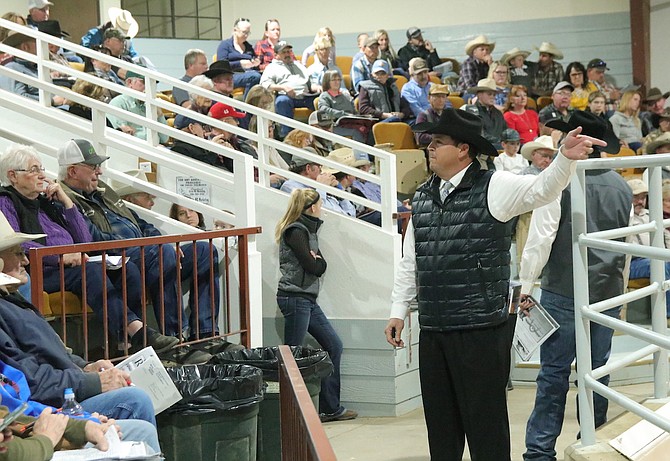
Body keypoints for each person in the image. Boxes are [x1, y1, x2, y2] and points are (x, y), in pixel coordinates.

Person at [384, 107, 602, 461]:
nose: (430, 148)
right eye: (430, 142)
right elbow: (412, 258)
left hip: (481, 329)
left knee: (486, 429)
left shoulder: (496, 185)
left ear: (464, 149)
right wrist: (398, 310)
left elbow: (542, 190)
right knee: (441, 428)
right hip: (435, 327)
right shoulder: (423, 196)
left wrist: (563, 158)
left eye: (439, 142)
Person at [519, 111, 631, 461]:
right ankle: (591, 440)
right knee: (596, 372)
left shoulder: (560, 182)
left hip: (563, 289)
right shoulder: (622, 186)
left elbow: (541, 237)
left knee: (553, 375)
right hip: (607, 289)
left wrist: (526, 283)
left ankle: (540, 451)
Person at [0, 143, 176, 353]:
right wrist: (60, 257)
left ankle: (126, 343)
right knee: (91, 272)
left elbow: (85, 241)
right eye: (33, 170)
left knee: (127, 269)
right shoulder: (6, 200)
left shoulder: (47, 201)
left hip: (72, 265)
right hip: (40, 270)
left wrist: (67, 203)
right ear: (12, 176)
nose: (41, 175)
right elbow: (17, 243)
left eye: (41, 168)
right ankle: (139, 334)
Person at [57, 139, 217, 357]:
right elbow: (94, 240)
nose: (99, 171)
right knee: (162, 253)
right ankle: (176, 341)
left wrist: (159, 239)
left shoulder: (104, 191)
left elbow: (141, 223)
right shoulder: (63, 200)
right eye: (93, 167)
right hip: (115, 259)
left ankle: (204, 334)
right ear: (73, 171)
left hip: (143, 251)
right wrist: (152, 245)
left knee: (204, 250)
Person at [0, 213, 159, 427]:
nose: (26, 260)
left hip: (66, 390)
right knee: (135, 400)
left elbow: (55, 353)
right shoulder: (6, 308)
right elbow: (32, 382)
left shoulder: (13, 299)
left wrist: (87, 367)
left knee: (140, 391)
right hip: (46, 408)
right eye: (18, 253)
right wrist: (94, 383)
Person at [275, 188, 357, 423]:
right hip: (295, 297)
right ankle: (288, 410)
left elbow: (319, 263)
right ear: (312, 207)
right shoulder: (296, 231)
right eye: (321, 205)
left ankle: (330, 408)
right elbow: (314, 267)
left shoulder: (307, 230)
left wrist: (317, 261)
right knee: (293, 354)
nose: (322, 209)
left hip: (306, 299)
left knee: (334, 346)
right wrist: (317, 261)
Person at [626, 178, 670, 321]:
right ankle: (666, 315)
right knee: (660, 265)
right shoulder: (624, 217)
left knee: (662, 263)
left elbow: (666, 237)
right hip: (633, 264)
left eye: (643, 197)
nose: (640, 201)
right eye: (636, 197)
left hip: (656, 257)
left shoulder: (652, 215)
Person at [260, 40, 319, 138]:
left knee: (322, 99)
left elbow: (309, 83)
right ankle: (287, 136)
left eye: (289, 51)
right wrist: (283, 87)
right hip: (287, 96)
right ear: (276, 55)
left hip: (305, 96)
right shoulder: (271, 67)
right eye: (284, 52)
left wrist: (316, 87)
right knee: (282, 101)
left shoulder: (298, 65)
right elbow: (264, 84)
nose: (287, 54)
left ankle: (322, 134)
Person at [0, 30, 65, 106]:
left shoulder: (36, 67)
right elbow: (19, 99)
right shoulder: (11, 68)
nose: (43, 46)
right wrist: (51, 101)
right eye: (37, 43)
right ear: (25, 47)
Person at [107, 71, 169, 144]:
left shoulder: (149, 106)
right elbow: (121, 136)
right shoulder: (118, 103)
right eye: (144, 82)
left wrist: (160, 115)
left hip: (154, 148)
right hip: (134, 149)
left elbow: (164, 139)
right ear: (129, 82)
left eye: (152, 84)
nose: (149, 88)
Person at [215, 18, 262, 98]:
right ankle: (248, 105)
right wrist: (240, 64)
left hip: (249, 74)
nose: (246, 35)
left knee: (261, 77)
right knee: (255, 77)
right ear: (235, 30)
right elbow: (220, 66)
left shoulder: (249, 47)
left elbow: (255, 67)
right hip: (231, 76)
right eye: (244, 32)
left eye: (248, 33)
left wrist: (255, 63)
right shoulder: (225, 45)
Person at [359, 60, 411, 125]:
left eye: (382, 73)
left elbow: (404, 105)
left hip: (398, 119)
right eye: (377, 73)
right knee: (394, 119)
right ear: (372, 74)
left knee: (416, 123)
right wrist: (384, 115)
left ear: (387, 74)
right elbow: (363, 109)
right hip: (378, 122)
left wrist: (402, 114)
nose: (379, 76)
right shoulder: (365, 87)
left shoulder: (393, 86)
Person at [462, 78, 506, 149]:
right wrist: (500, 141)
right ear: (479, 95)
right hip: (481, 148)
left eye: (494, 95)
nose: (492, 97)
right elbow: (478, 134)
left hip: (501, 147)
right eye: (489, 94)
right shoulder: (471, 111)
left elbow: (505, 130)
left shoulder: (498, 113)